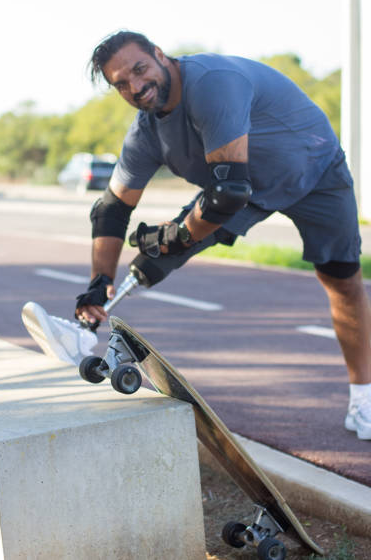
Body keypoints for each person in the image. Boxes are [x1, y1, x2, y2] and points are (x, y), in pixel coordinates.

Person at [22, 30, 371, 441]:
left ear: (159, 55)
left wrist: (177, 234)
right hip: (244, 187)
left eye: (140, 69)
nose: (135, 86)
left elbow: (227, 195)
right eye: (121, 83)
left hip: (314, 171)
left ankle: (362, 401)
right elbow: (112, 211)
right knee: (152, 258)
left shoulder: (211, 83)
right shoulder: (146, 131)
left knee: (341, 281)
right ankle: (80, 334)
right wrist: (97, 285)